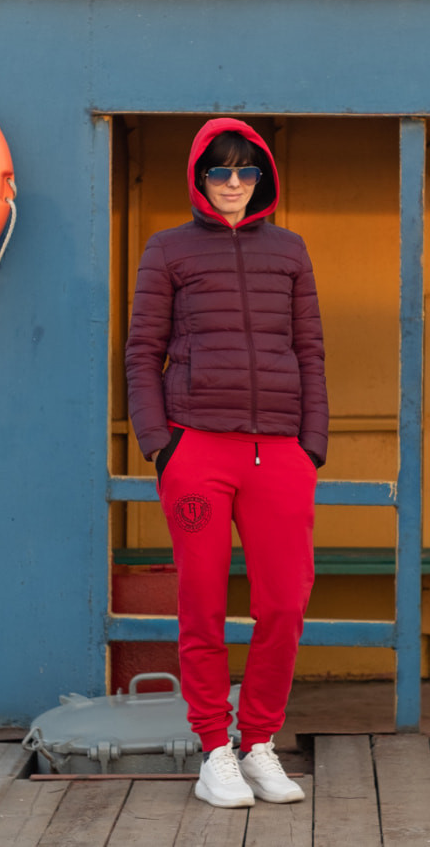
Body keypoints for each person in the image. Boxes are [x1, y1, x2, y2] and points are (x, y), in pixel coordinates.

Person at [125, 117, 328, 808]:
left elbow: (310, 351)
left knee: (285, 603)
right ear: (200, 178)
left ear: (261, 177)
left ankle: (259, 742)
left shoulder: (291, 251)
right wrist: (161, 443)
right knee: (203, 604)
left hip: (280, 453)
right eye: (220, 171)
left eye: (246, 170)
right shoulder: (168, 249)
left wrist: (310, 444)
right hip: (197, 451)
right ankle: (215, 750)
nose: (234, 183)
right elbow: (141, 352)